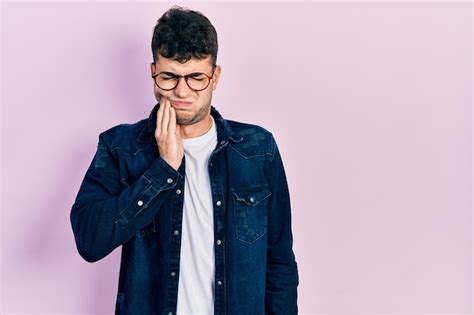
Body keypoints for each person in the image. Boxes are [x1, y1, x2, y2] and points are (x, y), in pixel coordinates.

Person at [70, 5, 299, 315]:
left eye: (195, 78)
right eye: (169, 77)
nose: (182, 91)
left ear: (215, 76)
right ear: (153, 72)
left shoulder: (259, 150)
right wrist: (163, 169)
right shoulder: (119, 149)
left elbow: (280, 263)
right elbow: (89, 241)